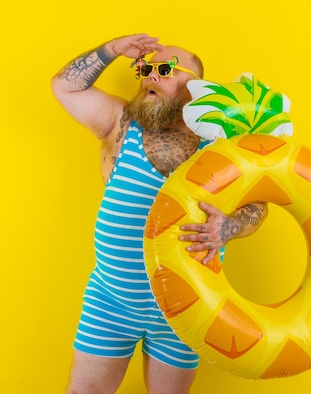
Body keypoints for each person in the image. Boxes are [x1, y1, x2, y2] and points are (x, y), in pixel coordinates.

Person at [51, 33, 268, 394]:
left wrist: (229, 227)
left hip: (188, 307)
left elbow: (259, 208)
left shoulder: (224, 145)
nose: (150, 75)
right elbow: (65, 88)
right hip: (111, 302)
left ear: (198, 87)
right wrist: (111, 51)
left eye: (164, 68)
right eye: (145, 68)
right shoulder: (120, 125)